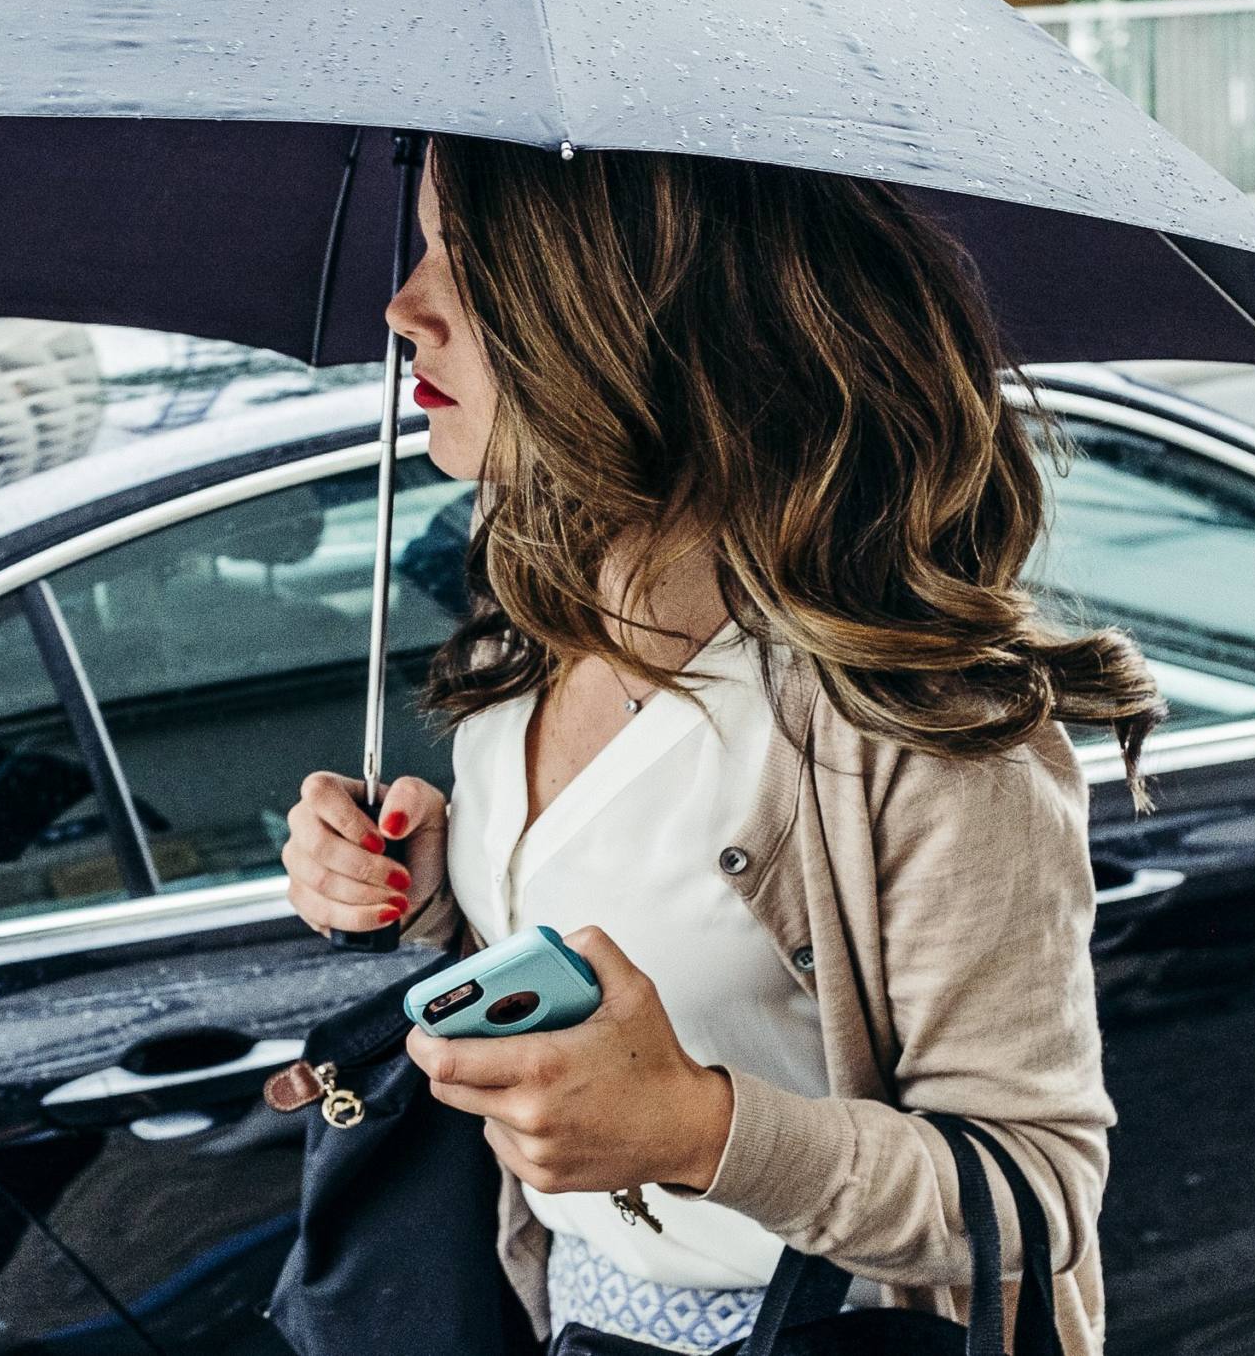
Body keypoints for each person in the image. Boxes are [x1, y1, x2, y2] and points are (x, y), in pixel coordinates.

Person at [279, 135, 1155, 1356]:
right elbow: (613, 947)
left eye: (470, 260)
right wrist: (433, 897)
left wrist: (699, 1131)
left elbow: (1036, 1191)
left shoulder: (918, 726)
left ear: (642, 311)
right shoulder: (533, 625)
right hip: (567, 1316)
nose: (403, 305)